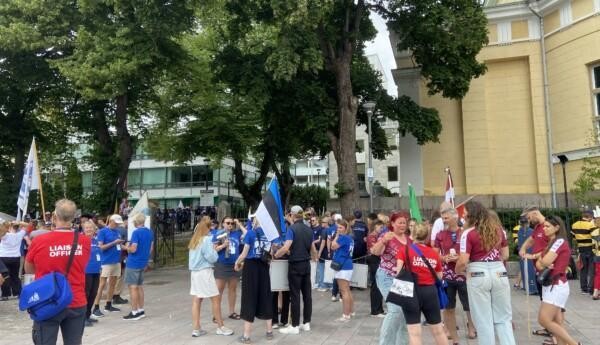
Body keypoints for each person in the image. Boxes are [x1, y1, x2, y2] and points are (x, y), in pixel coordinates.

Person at [25, 199, 91, 345]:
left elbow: (28, 269)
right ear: (74, 218)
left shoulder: (39, 241)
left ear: (54, 216)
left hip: (47, 300)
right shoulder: (85, 241)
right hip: (76, 299)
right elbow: (82, 265)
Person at [456, 201, 515, 345]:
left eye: (464, 213)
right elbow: (505, 254)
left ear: (471, 215)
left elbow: (463, 260)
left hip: (477, 271)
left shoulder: (468, 234)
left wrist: (458, 270)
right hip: (499, 271)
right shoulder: (499, 230)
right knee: (503, 317)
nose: (463, 216)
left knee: (483, 319)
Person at [529, 216, 581, 345]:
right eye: (544, 226)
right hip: (552, 284)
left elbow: (544, 262)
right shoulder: (551, 242)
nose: (544, 229)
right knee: (557, 322)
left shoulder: (559, 241)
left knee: (544, 320)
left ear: (557, 227)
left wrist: (543, 260)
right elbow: (539, 265)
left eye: (547, 226)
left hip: (556, 285)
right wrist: (544, 261)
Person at [395, 223, 447, 345]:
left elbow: (398, 273)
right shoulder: (433, 253)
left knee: (414, 332)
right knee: (438, 330)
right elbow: (439, 276)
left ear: (412, 236)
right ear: (427, 237)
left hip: (410, 292)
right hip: (430, 292)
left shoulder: (404, 250)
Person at [434, 207, 477, 343]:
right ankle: (454, 337)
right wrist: (444, 258)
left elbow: (473, 254)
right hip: (447, 276)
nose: (444, 220)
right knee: (449, 307)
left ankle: (471, 326)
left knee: (468, 305)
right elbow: (435, 254)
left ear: (455, 217)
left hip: (464, 274)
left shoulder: (465, 233)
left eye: (446, 217)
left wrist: (459, 257)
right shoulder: (440, 235)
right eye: (443, 218)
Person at [274, 205, 317, 334]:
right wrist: (314, 259)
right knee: (307, 295)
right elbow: (313, 249)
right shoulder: (309, 229)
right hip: (306, 264)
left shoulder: (291, 229)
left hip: (295, 265)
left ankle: (294, 326)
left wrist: (276, 255)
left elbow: (286, 247)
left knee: (295, 295)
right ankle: (307, 323)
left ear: (292, 215)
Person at [188, 216, 234, 337]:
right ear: (207, 227)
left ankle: (196, 328)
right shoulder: (206, 240)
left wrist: (214, 248)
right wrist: (215, 250)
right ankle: (220, 327)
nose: (212, 229)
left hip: (195, 273)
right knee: (215, 299)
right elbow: (212, 257)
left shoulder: (194, 239)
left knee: (197, 300)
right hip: (204, 272)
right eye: (211, 227)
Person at [370, 211, 410, 345]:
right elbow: (375, 252)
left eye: (405, 222)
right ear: (392, 223)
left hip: (403, 279)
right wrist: (383, 241)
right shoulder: (387, 236)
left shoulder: (409, 239)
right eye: (400, 222)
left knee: (405, 312)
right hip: (386, 276)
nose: (403, 225)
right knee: (395, 310)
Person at [234, 220, 274, 344]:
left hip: (251, 268)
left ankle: (246, 336)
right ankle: (269, 331)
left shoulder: (250, 233)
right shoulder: (269, 235)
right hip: (264, 266)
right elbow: (271, 254)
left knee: (249, 297)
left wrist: (237, 262)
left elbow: (244, 253)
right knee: (266, 296)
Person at [92, 214, 126, 317]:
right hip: (106, 262)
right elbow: (101, 247)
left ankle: (108, 304)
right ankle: (96, 307)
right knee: (102, 285)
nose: (117, 225)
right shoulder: (102, 232)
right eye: (116, 223)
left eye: (118, 223)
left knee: (113, 283)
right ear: (111, 221)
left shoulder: (117, 232)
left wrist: (127, 247)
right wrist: (114, 243)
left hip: (116, 261)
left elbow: (119, 245)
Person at [122, 212, 154, 320]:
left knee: (132, 287)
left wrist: (125, 247)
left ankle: (134, 312)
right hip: (143, 262)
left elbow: (133, 249)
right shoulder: (150, 232)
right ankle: (141, 309)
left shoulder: (136, 233)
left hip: (133, 262)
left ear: (136, 222)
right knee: (139, 286)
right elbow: (151, 249)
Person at [213, 216, 246, 320]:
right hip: (222, 264)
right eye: (228, 223)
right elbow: (213, 250)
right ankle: (216, 314)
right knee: (219, 290)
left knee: (233, 289)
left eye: (232, 223)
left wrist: (239, 224)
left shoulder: (236, 234)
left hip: (234, 264)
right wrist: (223, 246)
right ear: (223, 224)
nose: (230, 225)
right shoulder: (218, 234)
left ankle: (231, 312)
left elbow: (247, 235)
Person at [331, 219, 354, 322]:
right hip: (347, 265)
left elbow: (333, 246)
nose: (338, 229)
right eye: (337, 227)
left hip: (342, 266)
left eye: (340, 227)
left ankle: (346, 314)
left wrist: (336, 237)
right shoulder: (350, 238)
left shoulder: (343, 238)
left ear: (345, 228)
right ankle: (350, 311)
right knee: (347, 290)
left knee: (343, 290)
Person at [0, 221, 26, 300]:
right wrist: (19, 222)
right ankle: (18, 293)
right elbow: (28, 225)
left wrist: (8, 225)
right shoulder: (20, 234)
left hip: (4, 257)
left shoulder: (4, 235)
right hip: (16, 257)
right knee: (15, 275)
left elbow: (1, 230)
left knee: (5, 276)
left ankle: (5, 295)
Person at [571, 210, 595, 295]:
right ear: (590, 217)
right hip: (591, 249)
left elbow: (574, 238)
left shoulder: (574, 225)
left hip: (581, 249)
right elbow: (595, 237)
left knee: (583, 269)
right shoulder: (591, 225)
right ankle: (590, 288)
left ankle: (583, 288)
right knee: (592, 269)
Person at [83, 221, 101, 327]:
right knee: (86, 294)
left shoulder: (96, 240)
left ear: (94, 229)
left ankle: (88, 314)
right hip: (86, 271)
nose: (89, 229)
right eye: (87, 228)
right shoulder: (81, 240)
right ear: (83, 229)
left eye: (91, 228)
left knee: (94, 293)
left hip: (96, 271)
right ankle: (83, 317)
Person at [366, 220, 385, 317]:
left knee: (379, 285)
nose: (382, 229)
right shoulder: (371, 236)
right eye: (380, 227)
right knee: (375, 285)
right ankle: (375, 310)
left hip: (378, 260)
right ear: (375, 226)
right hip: (374, 259)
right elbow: (376, 250)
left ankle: (380, 309)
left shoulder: (377, 236)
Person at [516, 215, 538, 295]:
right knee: (531, 270)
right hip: (530, 254)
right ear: (528, 222)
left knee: (524, 270)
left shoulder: (519, 231)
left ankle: (526, 286)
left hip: (522, 254)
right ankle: (533, 288)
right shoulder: (532, 231)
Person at [316, 216, 331, 291]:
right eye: (321, 222)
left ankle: (322, 285)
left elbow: (323, 242)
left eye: (323, 222)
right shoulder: (331, 230)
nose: (322, 223)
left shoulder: (324, 231)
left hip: (324, 252)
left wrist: (319, 253)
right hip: (329, 253)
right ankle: (329, 285)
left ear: (327, 223)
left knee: (321, 268)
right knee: (328, 269)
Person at [591, 211, 600, 300]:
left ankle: (595, 292)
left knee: (598, 275)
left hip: (598, 256)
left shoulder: (594, 233)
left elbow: (593, 247)